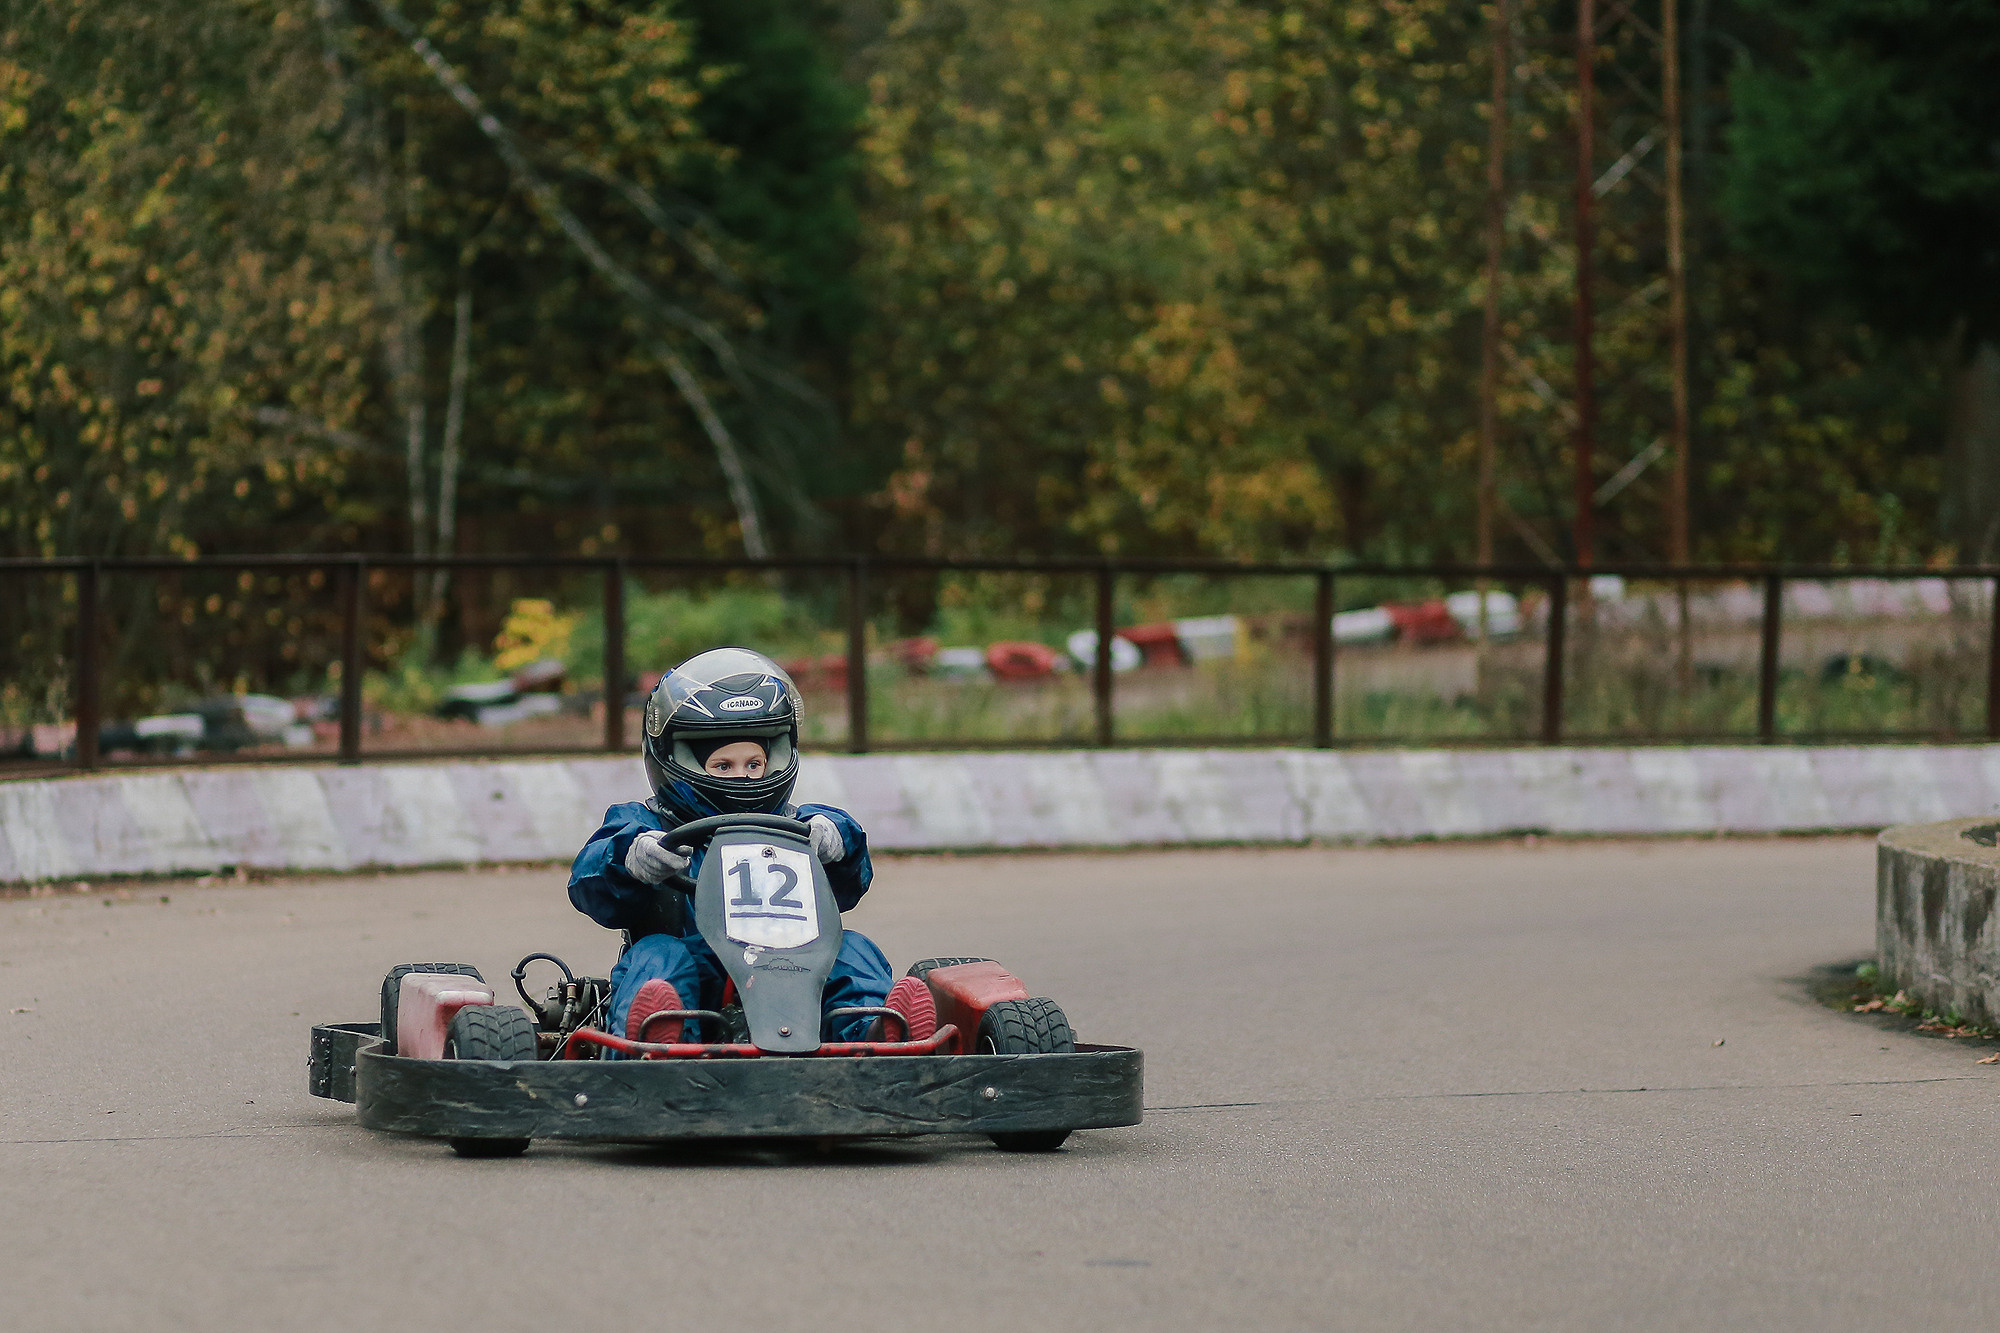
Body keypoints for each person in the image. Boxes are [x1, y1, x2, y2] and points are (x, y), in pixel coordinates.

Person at [567, 647, 905, 1044]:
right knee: (657, 954)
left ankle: (875, 1033)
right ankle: (660, 1035)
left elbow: (851, 876)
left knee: (852, 949)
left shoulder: (801, 825)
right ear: (679, 760)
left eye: (753, 764)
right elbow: (589, 879)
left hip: (795, 968)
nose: (743, 778)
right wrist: (631, 859)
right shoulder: (646, 825)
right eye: (724, 766)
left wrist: (838, 841)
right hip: (696, 972)